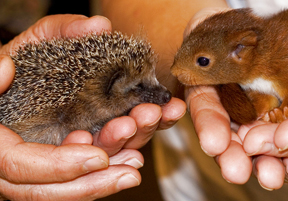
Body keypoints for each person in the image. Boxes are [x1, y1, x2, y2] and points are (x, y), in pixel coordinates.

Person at [101, 0, 288, 200]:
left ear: (240, 53)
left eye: (202, 62)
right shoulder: (250, 70)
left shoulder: (285, 63)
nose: (176, 72)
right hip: (204, 186)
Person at [0, 15, 186, 200]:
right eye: (139, 87)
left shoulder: (96, 97)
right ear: (109, 88)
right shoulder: (72, 104)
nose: (164, 93)